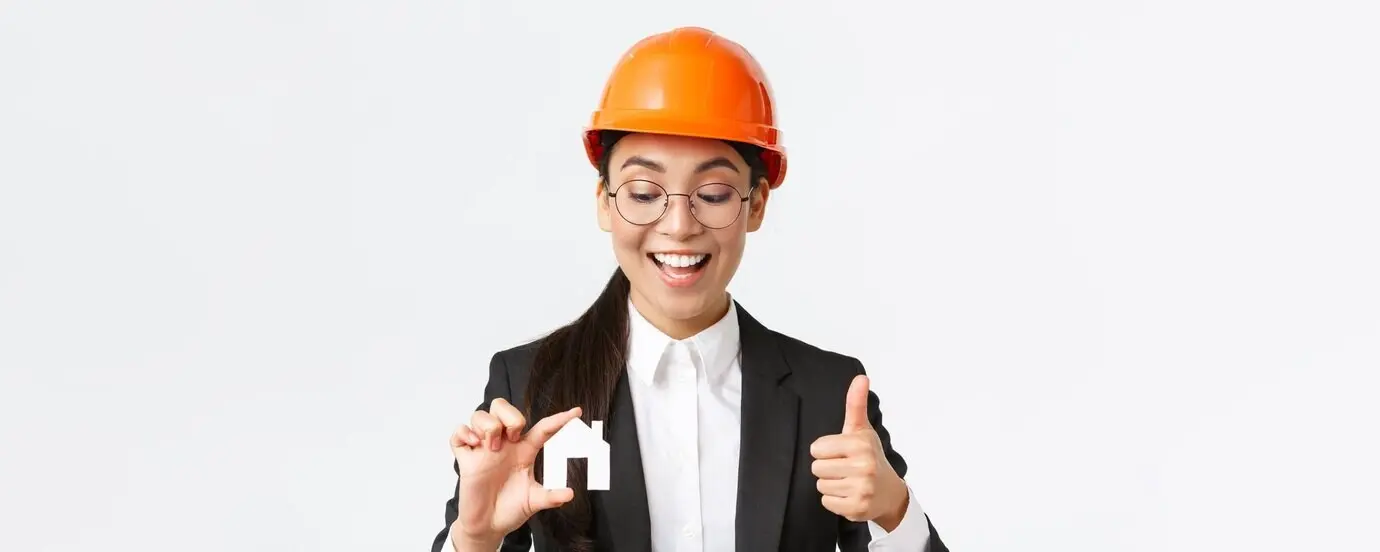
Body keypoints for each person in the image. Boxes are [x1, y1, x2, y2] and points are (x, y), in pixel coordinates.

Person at [432, 27, 949, 552]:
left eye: (714, 193)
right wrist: (476, 536)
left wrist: (894, 510)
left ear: (756, 204)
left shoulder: (828, 397)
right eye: (642, 192)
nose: (679, 225)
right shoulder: (530, 390)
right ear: (605, 203)